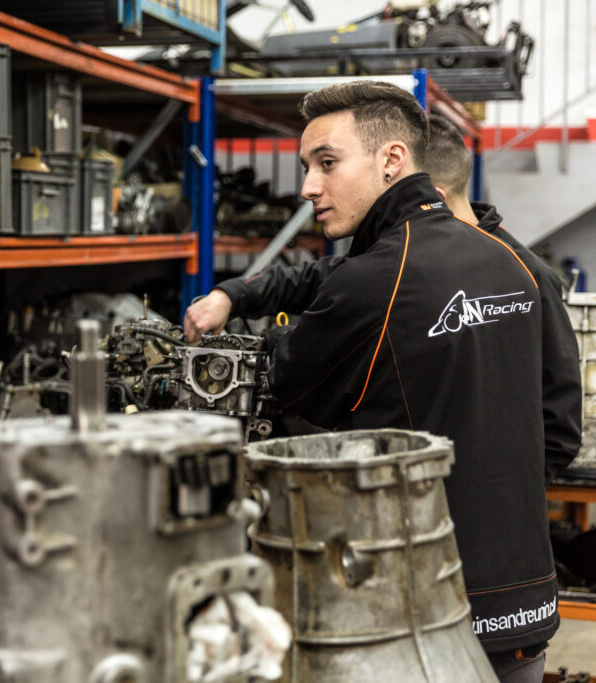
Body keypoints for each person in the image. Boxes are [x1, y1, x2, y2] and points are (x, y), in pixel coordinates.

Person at [185, 81, 577, 682]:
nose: (308, 186)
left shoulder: (373, 279)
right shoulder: (517, 264)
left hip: (413, 609)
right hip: (523, 599)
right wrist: (492, 492)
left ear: (391, 159)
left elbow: (289, 392)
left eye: (327, 163)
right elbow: (560, 430)